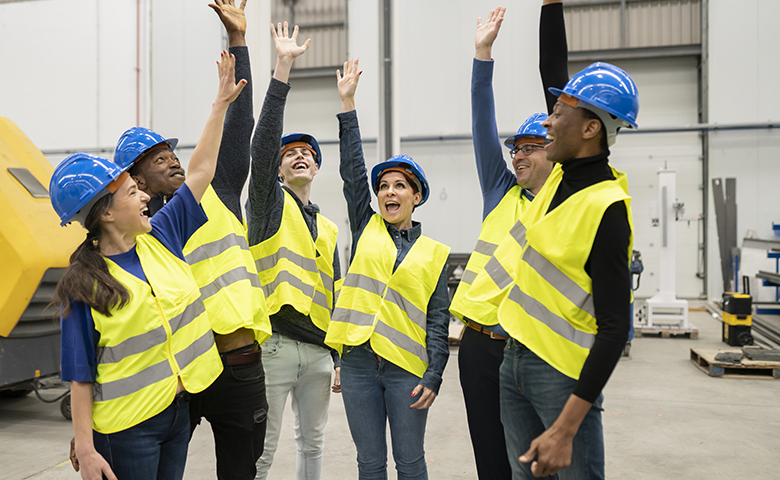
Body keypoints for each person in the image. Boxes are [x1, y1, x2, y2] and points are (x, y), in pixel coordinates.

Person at [52, 51, 245, 480]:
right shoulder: (84, 283)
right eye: (130, 192)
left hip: (178, 412)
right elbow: (79, 373)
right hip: (127, 428)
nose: (144, 197)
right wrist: (85, 448)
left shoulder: (161, 235)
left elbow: (202, 171)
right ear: (105, 213)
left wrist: (220, 105)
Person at [109, 3, 271, 479]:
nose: (173, 160)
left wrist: (238, 42)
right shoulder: (132, 229)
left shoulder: (213, 192)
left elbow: (238, 130)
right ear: (133, 175)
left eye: (172, 152)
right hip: (175, 378)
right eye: (158, 157)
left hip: (237, 365)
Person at [470, 59, 639, 478]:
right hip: (513, 360)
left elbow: (616, 327)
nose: (548, 123)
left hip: (561, 375)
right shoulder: (558, 179)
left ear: (590, 128)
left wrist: (567, 426)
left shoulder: (606, 208)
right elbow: (554, 71)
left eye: (559, 114)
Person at [448, 3, 567, 478]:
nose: (517, 156)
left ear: (553, 150)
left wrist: (550, 10)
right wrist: (483, 54)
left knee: (535, 458)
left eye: (528, 148)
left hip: (531, 346)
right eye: (515, 149)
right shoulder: (500, 193)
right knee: (490, 457)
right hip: (478, 348)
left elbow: (556, 84)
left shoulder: (563, 194)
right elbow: (481, 121)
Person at [325, 57, 451, 480]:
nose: (388, 192)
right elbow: (352, 173)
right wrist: (348, 107)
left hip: (407, 369)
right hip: (359, 362)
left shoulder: (434, 253)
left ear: (416, 197)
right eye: (384, 186)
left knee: (411, 462)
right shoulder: (367, 227)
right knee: (369, 463)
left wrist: (434, 374)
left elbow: (437, 320)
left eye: (400, 185)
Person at [247, 21, 341, 480]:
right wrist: (282, 69)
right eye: (291, 154)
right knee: (261, 453)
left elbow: (335, 292)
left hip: (320, 354)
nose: (300, 155)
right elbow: (262, 147)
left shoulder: (328, 227)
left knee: (313, 445)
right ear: (279, 170)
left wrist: (337, 355)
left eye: (309, 153)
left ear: (317, 167)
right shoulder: (268, 206)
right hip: (276, 347)